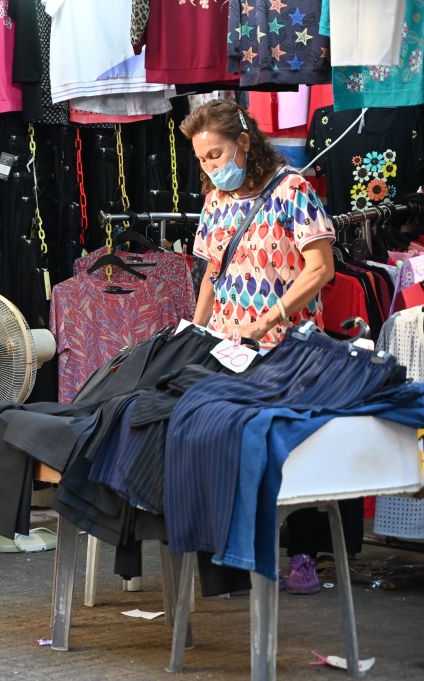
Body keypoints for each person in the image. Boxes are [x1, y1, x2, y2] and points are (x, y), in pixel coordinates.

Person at [181, 99, 340, 595]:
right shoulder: (215, 202)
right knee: (230, 446)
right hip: (231, 348)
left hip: (289, 349)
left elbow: (321, 268)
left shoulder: (293, 190)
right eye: (203, 160)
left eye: (217, 155)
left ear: (244, 144)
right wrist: (195, 332)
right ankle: (236, 558)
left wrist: (268, 318)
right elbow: (210, 274)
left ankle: (306, 555)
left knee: (291, 449)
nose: (212, 167)